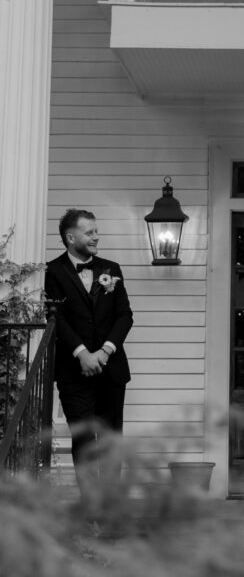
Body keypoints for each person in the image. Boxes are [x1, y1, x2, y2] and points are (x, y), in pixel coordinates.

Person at [45, 209, 134, 503]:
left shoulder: (113, 268)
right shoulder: (51, 272)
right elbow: (55, 318)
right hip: (74, 372)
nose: (96, 237)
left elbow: (124, 316)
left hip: (111, 369)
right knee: (83, 441)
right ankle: (91, 510)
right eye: (89, 232)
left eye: (96, 231)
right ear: (71, 238)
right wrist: (82, 353)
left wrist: (105, 351)